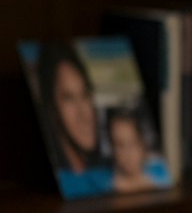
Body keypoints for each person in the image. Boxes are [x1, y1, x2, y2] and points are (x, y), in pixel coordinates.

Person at [33, 42, 113, 199]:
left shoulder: (112, 174)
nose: (83, 114)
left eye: (85, 95)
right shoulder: (65, 179)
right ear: (52, 109)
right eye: (68, 98)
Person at [106, 107, 167, 193]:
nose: (127, 153)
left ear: (142, 144)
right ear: (111, 147)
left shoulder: (161, 173)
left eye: (133, 143)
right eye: (120, 145)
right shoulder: (105, 188)